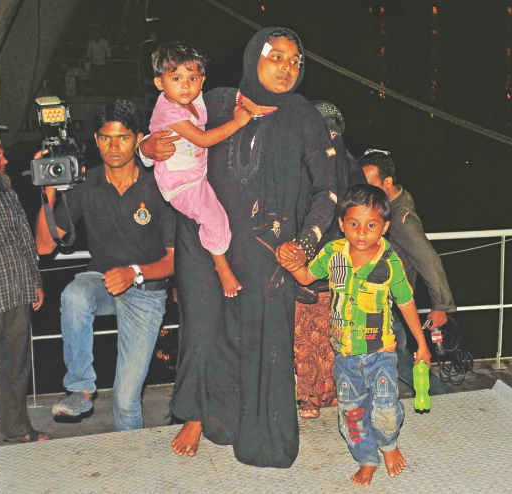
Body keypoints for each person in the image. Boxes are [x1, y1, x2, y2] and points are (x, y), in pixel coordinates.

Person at [140, 27, 337, 466]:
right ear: (255, 57)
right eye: (277, 56)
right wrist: (144, 148)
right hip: (202, 238)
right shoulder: (220, 100)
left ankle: (258, 434)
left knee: (263, 338)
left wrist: (306, 243)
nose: (287, 67)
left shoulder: (306, 118)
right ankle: (198, 415)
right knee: (204, 326)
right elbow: (164, 122)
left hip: (267, 249)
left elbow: (330, 191)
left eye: (295, 61)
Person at [35, 100, 176, 431]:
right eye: (106, 138)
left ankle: (134, 471)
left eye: (123, 137)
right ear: (96, 140)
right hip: (102, 282)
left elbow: (174, 259)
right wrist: (49, 193)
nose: (114, 147)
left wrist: (134, 273)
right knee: (74, 294)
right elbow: (45, 245)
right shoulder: (85, 184)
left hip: (147, 291)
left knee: (126, 400)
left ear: (138, 138)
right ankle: (81, 388)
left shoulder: (158, 185)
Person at [278, 184, 433, 486]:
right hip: (345, 356)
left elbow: (406, 302)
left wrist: (421, 344)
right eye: (354, 224)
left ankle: (388, 445)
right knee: (352, 412)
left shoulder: (389, 263)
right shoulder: (333, 253)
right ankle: (366, 458)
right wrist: (293, 264)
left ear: (384, 228)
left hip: (381, 352)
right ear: (342, 224)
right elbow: (308, 276)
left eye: (371, 225)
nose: (362, 232)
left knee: (386, 407)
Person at [149, 41, 252, 297]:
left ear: (202, 80)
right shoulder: (170, 112)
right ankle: (221, 266)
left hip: (197, 171)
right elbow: (204, 139)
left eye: (192, 77)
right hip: (181, 184)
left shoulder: (195, 99)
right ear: (160, 83)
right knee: (214, 218)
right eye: (176, 78)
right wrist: (238, 122)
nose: (185, 85)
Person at [294, 100, 366, 418]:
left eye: (335, 132)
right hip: (307, 269)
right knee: (306, 337)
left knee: (337, 335)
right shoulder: (302, 167)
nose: (330, 139)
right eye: (325, 133)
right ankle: (309, 397)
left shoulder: (352, 169)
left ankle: (335, 394)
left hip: (341, 268)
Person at [360, 150, 456, 388]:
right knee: (396, 353)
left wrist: (440, 306)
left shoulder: (401, 218)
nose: (365, 192)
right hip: (391, 301)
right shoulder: (394, 199)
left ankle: (441, 396)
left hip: (389, 303)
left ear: (388, 182)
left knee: (397, 359)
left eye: (370, 185)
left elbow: (429, 260)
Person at [0, 136, 49, 444]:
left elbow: (26, 238)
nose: (4, 160)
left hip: (17, 293)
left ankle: (15, 427)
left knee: (17, 367)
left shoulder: (6, 190)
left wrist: (35, 283)